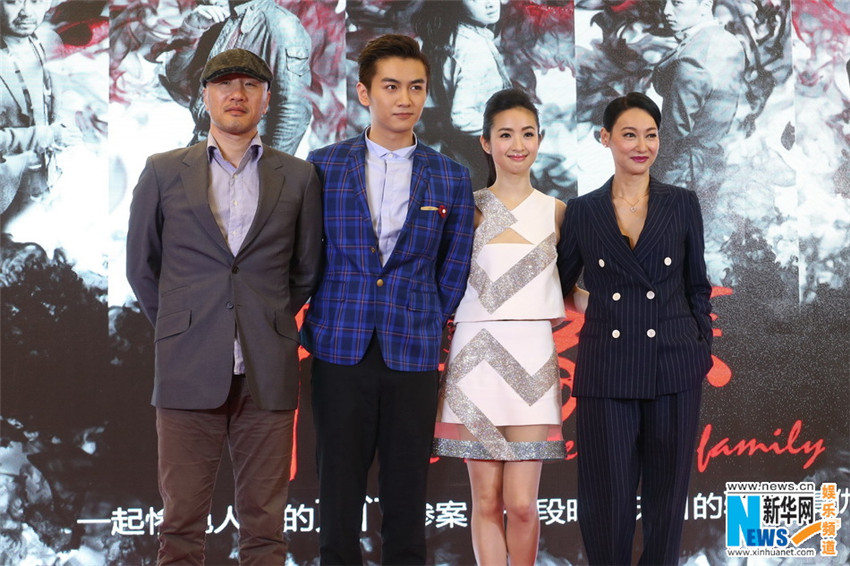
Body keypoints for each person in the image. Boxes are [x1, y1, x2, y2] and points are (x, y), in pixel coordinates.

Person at [126, 48, 322, 564]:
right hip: (186, 365)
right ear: (205, 95)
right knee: (181, 528)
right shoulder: (163, 170)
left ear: (267, 99)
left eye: (250, 85)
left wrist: (266, 320)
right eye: (224, 84)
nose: (237, 94)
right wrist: (183, 327)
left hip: (267, 371)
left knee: (265, 531)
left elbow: (305, 271)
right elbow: (142, 267)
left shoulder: (298, 176)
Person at [303, 34, 475, 565]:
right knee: (338, 495)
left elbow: (455, 266)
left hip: (412, 352)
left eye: (416, 87)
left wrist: (426, 317)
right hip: (339, 348)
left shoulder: (450, 175)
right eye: (392, 86)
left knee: (406, 497)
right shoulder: (323, 166)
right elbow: (307, 257)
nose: (405, 99)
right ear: (364, 92)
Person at [556, 92, 712, 565]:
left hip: (674, 366)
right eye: (629, 135)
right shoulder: (583, 210)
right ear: (605, 138)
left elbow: (697, 285)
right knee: (606, 505)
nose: (642, 146)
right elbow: (559, 287)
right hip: (607, 370)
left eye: (651, 135)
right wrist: (602, 304)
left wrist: (700, 349)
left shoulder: (681, 203)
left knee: (667, 504)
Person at [432, 88, 581, 566]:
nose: (518, 145)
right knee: (485, 500)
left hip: (532, 360)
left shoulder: (559, 212)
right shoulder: (467, 208)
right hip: (476, 357)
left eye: (527, 134)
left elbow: (572, 291)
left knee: (521, 504)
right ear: (485, 142)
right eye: (505, 135)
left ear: (540, 139)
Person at [156, 0, 312, 154]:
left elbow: (294, 111)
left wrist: (271, 168)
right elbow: (176, 80)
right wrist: (190, 29)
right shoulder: (219, 16)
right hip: (205, 146)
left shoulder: (282, 24)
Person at [651, 0, 745, 208]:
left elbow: (676, 130)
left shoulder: (693, 57)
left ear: (705, 5)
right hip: (714, 165)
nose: (666, 11)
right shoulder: (730, 42)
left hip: (680, 172)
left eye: (677, 3)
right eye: (665, 2)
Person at [413, 0, 511, 191]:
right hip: (477, 152)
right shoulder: (474, 49)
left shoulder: (446, 36)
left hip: (455, 148)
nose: (490, 4)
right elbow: (462, 117)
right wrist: (508, 131)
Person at [0, 0, 80, 218]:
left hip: (48, 179)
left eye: (35, 1)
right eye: (13, 1)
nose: (26, 11)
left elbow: (60, 96)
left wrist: (67, 123)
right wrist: (44, 135)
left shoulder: (50, 39)